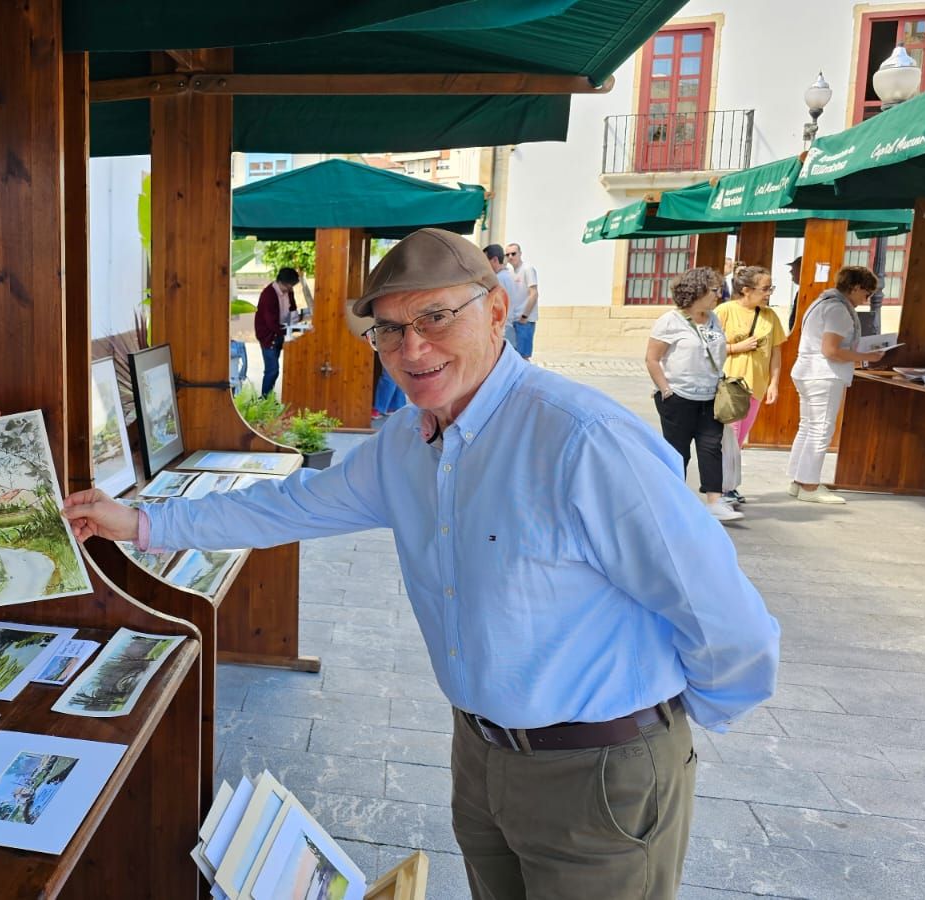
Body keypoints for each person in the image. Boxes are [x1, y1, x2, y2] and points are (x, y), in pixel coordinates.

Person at [65, 228, 779, 900]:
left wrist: (653, 744)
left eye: (436, 318)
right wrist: (141, 521)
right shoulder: (408, 442)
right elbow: (287, 507)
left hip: (602, 772)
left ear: (497, 311)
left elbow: (725, 617)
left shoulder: (580, 440)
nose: (413, 348)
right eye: (389, 330)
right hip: (480, 755)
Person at [645, 268, 740, 522]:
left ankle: (715, 502)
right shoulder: (670, 321)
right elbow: (652, 359)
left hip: (710, 396)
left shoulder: (713, 319)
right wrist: (666, 390)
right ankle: (672, 501)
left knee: (711, 447)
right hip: (678, 397)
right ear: (696, 291)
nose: (719, 295)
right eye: (713, 290)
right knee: (678, 451)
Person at [787, 265, 888, 504]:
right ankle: (809, 486)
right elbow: (831, 350)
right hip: (824, 374)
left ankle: (798, 480)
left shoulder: (821, 302)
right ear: (855, 287)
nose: (868, 299)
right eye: (867, 293)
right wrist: (868, 357)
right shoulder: (839, 310)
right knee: (820, 429)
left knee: (808, 426)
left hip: (807, 370)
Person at [716, 266, 788, 505]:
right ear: (746, 290)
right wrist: (736, 348)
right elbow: (707, 346)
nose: (769, 293)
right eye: (765, 288)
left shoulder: (770, 316)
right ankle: (724, 488)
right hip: (730, 385)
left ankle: (729, 486)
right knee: (729, 437)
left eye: (771, 288)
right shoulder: (724, 311)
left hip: (756, 386)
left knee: (739, 439)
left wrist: (774, 383)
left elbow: (776, 352)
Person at [255, 267, 301, 397]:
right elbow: (271, 323)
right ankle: (264, 399)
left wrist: (296, 323)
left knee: (274, 369)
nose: (290, 289)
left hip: (281, 332)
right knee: (272, 369)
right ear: (281, 282)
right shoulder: (268, 294)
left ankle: (268, 398)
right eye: (289, 286)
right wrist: (289, 330)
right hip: (268, 335)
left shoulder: (288, 292)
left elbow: (293, 308)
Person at [483, 244, 524, 350]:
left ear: (495, 260)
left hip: (501, 329)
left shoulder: (498, 280)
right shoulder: (509, 276)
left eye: (485, 261)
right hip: (509, 327)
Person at [505, 243, 538, 361]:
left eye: (513, 253)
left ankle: (527, 379)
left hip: (524, 320)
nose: (510, 257)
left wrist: (524, 316)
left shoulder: (527, 269)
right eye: (507, 254)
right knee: (512, 356)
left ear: (520, 254)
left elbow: (534, 293)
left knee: (523, 356)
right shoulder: (509, 272)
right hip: (512, 320)